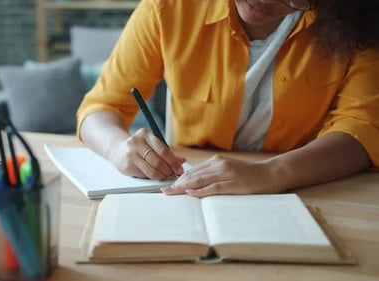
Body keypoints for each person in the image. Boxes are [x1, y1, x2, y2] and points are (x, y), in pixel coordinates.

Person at [76, 0, 379, 198]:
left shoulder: (359, 26)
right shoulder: (169, 7)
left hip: (305, 190)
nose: (265, 1)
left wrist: (274, 173)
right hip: (184, 192)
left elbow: (363, 130)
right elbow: (102, 106)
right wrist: (117, 147)